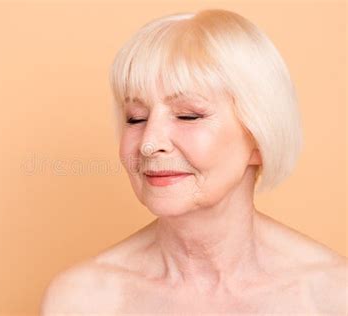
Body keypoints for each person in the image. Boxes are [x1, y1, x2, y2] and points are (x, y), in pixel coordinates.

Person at [40, 8, 347, 314]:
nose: (149, 143)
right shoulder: (82, 301)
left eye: (188, 115)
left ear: (258, 137)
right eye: (136, 118)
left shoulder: (332, 294)